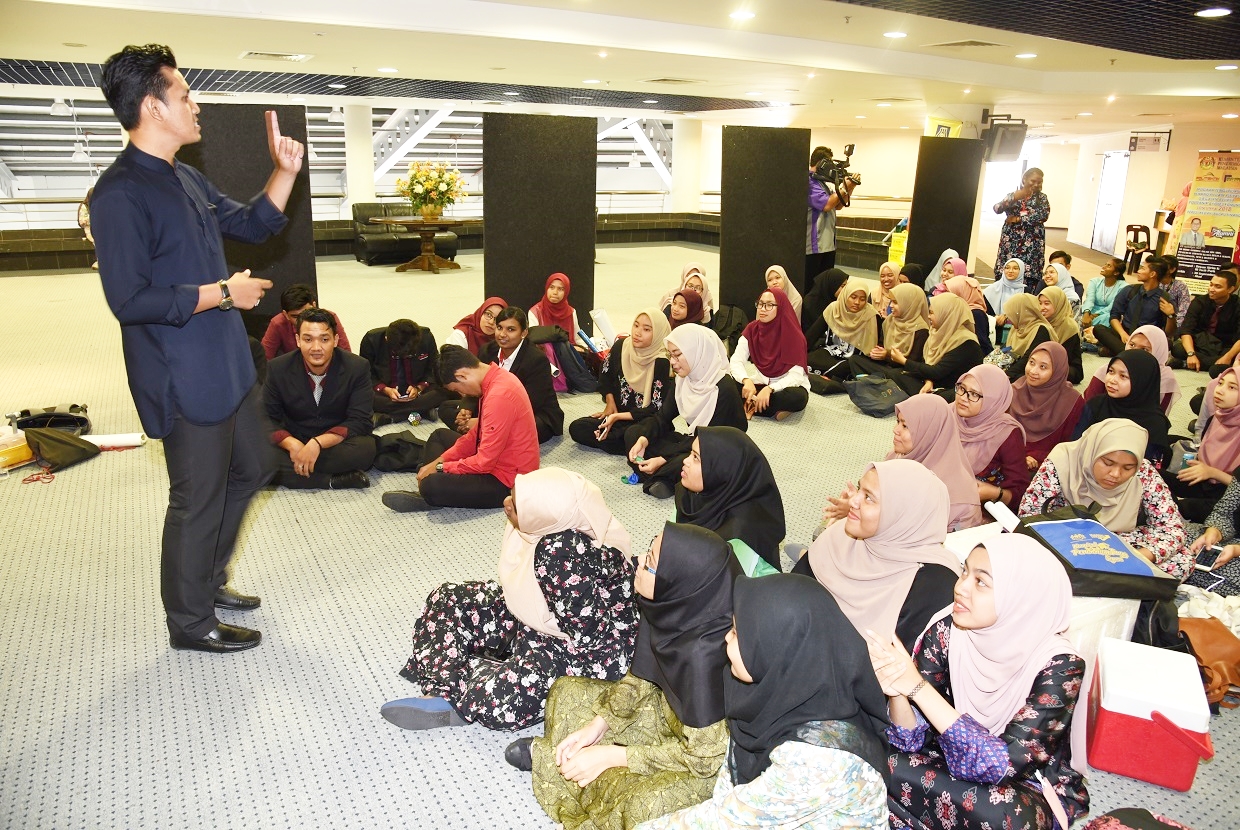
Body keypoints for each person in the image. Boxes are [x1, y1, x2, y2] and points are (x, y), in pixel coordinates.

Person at [93, 44, 303, 653]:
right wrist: (223, 292)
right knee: (197, 499)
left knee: (254, 468)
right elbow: (129, 299)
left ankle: (207, 581)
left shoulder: (184, 175)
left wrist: (285, 171)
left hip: (227, 364)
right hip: (181, 376)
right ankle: (189, 622)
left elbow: (253, 224)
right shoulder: (118, 194)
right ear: (153, 107)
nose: (195, 104)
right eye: (184, 95)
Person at [515, 523, 738, 828]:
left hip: (704, 761)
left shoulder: (705, 659)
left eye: (651, 563)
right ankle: (572, 765)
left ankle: (560, 763)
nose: (640, 561)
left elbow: (703, 760)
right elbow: (641, 675)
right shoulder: (672, 607)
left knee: (644, 806)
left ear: (676, 581)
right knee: (566, 693)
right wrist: (599, 725)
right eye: (649, 552)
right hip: (665, 715)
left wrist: (613, 756)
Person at [382, 468, 637, 731]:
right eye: (512, 496)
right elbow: (524, 591)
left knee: (505, 699)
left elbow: (588, 638)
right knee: (448, 597)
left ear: (543, 514)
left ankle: (465, 679)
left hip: (585, 648)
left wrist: (530, 649)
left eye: (515, 503)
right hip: (539, 614)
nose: (506, 503)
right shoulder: (551, 522)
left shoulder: (562, 555)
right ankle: (445, 687)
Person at [868, 534, 1089, 830]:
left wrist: (918, 688)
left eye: (981, 582)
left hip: (1022, 786)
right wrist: (897, 689)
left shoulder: (1061, 666)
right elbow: (908, 740)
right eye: (964, 572)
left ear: (1019, 597)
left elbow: (1004, 765)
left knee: (1004, 816)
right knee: (875, 754)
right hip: (945, 758)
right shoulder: (946, 630)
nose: (961, 587)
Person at [640, 574, 890, 830]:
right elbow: (730, 787)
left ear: (775, 651)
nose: (726, 638)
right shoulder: (781, 690)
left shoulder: (818, 759)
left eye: (736, 633)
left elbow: (724, 821)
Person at [794, 459, 960, 651]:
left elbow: (902, 663)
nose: (853, 501)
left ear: (899, 515)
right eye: (859, 489)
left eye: (869, 498)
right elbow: (792, 593)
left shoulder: (934, 586)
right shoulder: (840, 537)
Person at [1023, 419, 1190, 580]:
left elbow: (1172, 527)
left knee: (1182, 560)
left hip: (1117, 543)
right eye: (1108, 463)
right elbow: (1029, 516)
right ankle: (1113, 584)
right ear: (1092, 452)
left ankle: (1098, 582)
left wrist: (1135, 559)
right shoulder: (1063, 461)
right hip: (1066, 540)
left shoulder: (1143, 472)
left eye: (1128, 468)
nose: (1116, 474)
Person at [381, 345, 539, 512]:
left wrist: (441, 467)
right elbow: (474, 437)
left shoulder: (499, 396)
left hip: (508, 482)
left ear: (462, 375)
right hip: (495, 457)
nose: (463, 395)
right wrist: (439, 461)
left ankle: (432, 493)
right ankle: (438, 488)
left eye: (457, 389)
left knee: (431, 485)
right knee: (439, 436)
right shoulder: (496, 379)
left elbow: (484, 463)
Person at [627, 324, 746, 500]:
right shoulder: (684, 379)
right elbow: (663, 417)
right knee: (634, 433)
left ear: (696, 353)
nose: (672, 362)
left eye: (677, 355)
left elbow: (708, 440)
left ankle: (662, 476)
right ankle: (665, 478)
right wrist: (644, 439)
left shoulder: (722, 387)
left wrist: (664, 458)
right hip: (693, 441)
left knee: (689, 461)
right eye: (670, 355)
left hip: (716, 449)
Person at [264, 308, 375, 490]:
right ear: (298, 340)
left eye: (324, 339)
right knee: (251, 453)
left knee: (365, 449)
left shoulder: (357, 367)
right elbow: (266, 418)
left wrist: (317, 443)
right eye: (308, 339)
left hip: (333, 441)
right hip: (295, 437)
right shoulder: (277, 368)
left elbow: (360, 420)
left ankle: (298, 471)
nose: (316, 348)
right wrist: (291, 443)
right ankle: (330, 480)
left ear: (335, 340)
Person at [675, 427, 786, 571]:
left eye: (696, 458)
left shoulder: (740, 534)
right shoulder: (687, 493)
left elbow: (722, 579)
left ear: (722, 470)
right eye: (691, 453)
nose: (686, 461)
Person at [570, 308, 671, 455]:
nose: (637, 332)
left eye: (646, 329)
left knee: (632, 434)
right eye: (636, 325)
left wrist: (617, 417)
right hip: (618, 417)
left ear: (658, 334)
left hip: (646, 421)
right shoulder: (622, 346)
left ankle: (621, 440)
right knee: (578, 428)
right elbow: (605, 376)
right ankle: (622, 441)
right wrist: (610, 404)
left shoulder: (662, 362)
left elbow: (656, 408)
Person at [889, 395, 984, 531]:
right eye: (897, 421)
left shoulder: (958, 499)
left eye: (905, 426)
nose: (895, 429)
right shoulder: (895, 457)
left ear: (929, 432)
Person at [478, 307, 564, 444]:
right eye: (499, 328)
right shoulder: (487, 351)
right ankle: (485, 432)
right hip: (494, 409)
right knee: (449, 408)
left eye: (510, 329)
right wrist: (466, 409)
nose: (502, 334)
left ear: (524, 333)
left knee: (516, 429)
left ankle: (484, 432)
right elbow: (478, 385)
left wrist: (486, 420)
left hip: (533, 413)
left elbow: (529, 402)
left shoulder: (536, 359)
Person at [1165, 368, 1240, 521]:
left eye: (1232, 387)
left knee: (1176, 509)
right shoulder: (1217, 417)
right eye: (1220, 383)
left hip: (1231, 499)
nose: (1219, 390)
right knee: (1153, 475)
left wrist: (1212, 472)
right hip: (1205, 481)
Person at [1072, 350, 1171, 465]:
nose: (1112, 380)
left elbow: (1145, 465)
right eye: (1111, 371)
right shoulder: (1096, 405)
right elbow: (1076, 444)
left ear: (1141, 381)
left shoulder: (1154, 423)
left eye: (1123, 376)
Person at [874, 293, 983, 397]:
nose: (928, 316)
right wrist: (928, 381)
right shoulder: (937, 332)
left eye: (932, 313)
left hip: (954, 391)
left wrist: (903, 361)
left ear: (946, 314)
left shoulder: (965, 342)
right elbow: (926, 364)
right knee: (895, 374)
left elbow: (937, 371)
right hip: (934, 382)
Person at [954, 365, 1030, 508]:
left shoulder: (1006, 434)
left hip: (980, 507)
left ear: (993, 400)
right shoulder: (948, 414)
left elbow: (1020, 493)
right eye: (962, 388)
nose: (963, 398)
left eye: (974, 394)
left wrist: (994, 493)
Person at [731, 287, 810, 420]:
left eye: (769, 305)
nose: (762, 309)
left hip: (785, 386)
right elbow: (736, 361)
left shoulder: (795, 336)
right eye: (760, 304)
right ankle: (767, 407)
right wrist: (746, 380)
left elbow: (796, 377)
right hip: (759, 383)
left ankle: (751, 404)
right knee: (726, 384)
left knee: (798, 397)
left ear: (781, 308)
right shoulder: (752, 329)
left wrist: (770, 389)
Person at [360, 318, 452, 423]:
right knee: (363, 396)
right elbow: (366, 374)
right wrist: (385, 389)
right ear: (386, 339)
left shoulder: (426, 337)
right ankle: (422, 410)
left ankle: (389, 418)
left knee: (445, 390)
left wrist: (419, 388)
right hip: (385, 392)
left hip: (419, 390)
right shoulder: (371, 340)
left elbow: (433, 368)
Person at [1011, 342, 1085, 472]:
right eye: (1031, 363)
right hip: (1010, 458)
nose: (1033, 371)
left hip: (1049, 468)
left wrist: (1038, 459)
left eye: (1043, 367)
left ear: (1057, 371)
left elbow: (1072, 448)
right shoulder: (1013, 391)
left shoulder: (1072, 402)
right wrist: (1017, 455)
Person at [1084, 325, 1180, 413]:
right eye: (1132, 345)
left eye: (1144, 349)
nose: (1134, 352)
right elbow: (1086, 408)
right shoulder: (1108, 369)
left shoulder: (1164, 378)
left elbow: (1157, 417)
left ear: (1158, 352)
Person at [846, 283, 930, 383]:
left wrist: (887, 355)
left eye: (895, 302)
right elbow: (882, 345)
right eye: (891, 301)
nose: (891, 306)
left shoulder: (921, 330)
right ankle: (872, 384)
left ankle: (872, 384)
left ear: (909, 304)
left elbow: (912, 363)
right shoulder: (889, 321)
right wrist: (877, 352)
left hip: (903, 371)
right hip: (886, 366)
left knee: (894, 374)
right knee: (855, 360)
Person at [806, 278, 878, 387]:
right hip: (832, 350)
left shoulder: (871, 315)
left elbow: (873, 349)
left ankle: (824, 377)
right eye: (853, 297)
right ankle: (827, 377)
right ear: (845, 295)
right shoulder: (834, 309)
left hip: (854, 358)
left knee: (844, 369)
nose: (857, 302)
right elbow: (812, 334)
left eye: (862, 299)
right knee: (808, 359)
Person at [1094, 255, 1171, 357]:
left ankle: (1122, 352)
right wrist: (1122, 333)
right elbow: (1114, 316)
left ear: (1152, 274)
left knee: (1167, 343)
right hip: (1125, 334)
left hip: (1147, 339)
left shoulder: (1164, 298)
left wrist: (1171, 315)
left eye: (1143, 268)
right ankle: (1133, 354)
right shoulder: (1130, 290)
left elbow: (1168, 332)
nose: (1138, 271)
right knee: (1099, 329)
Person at [805, 145, 858, 292]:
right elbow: (827, 205)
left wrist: (851, 186)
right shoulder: (809, 182)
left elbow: (838, 205)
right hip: (814, 247)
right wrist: (845, 186)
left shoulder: (822, 183)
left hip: (828, 245)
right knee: (812, 288)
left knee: (826, 287)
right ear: (821, 163)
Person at [1170, 270, 1240, 374]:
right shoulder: (1200, 302)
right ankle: (1208, 363)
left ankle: (1185, 364)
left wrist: (1227, 357)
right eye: (1211, 285)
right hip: (1201, 344)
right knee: (1178, 349)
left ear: (1230, 289)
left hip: (1225, 347)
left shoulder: (1237, 305)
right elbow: (1186, 330)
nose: (1211, 289)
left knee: (1232, 359)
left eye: (1218, 287)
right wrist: (1191, 354)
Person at [992, 167, 1050, 291]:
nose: (1036, 184)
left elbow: (1043, 215)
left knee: (1030, 274)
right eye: (1033, 181)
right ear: (1024, 179)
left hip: (1033, 241)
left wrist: (1018, 219)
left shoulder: (1042, 198)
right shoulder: (1013, 195)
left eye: (1039, 182)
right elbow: (997, 208)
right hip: (1011, 239)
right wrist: (1012, 198)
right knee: (1008, 267)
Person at [261, 283, 351, 361]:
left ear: (314, 306)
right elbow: (263, 358)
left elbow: (347, 355)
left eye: (306, 313)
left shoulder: (330, 318)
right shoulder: (278, 323)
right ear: (285, 314)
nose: (302, 319)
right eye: (295, 316)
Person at [1185, 479, 1240, 597]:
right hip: (1228, 542)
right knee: (1177, 539)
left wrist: (1236, 550)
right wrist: (1215, 531)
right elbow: (1224, 513)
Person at [1002, 293, 1057, 382]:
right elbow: (1006, 349)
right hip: (1013, 367)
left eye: (1011, 314)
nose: (1008, 318)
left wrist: (1006, 374)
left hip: (1032, 372)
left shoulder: (1041, 330)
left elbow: (1029, 357)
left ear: (1021, 312)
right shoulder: (1017, 327)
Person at [1037, 285, 1085, 383]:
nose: (1042, 308)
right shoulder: (1039, 321)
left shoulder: (1069, 326)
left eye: (1047, 303)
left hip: (1065, 367)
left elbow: (1063, 358)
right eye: (1040, 303)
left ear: (1058, 304)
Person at [529, 272, 587, 349]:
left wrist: (586, 348)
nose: (555, 292)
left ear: (566, 292)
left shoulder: (571, 312)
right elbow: (533, 340)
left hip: (567, 352)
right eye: (552, 287)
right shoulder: (536, 312)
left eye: (560, 289)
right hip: (543, 353)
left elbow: (577, 339)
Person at [1078, 257, 1126, 343]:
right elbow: (1089, 299)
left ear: (1116, 272)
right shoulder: (1094, 281)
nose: (1103, 267)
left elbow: (1112, 306)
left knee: (1109, 318)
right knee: (1077, 314)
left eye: (1108, 266)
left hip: (1106, 313)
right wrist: (1086, 313)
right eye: (1105, 264)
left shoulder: (1123, 287)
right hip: (1090, 310)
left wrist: (1092, 317)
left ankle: (1091, 335)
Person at [942, 274, 993, 353]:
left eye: (951, 292)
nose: (947, 296)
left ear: (961, 293)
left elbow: (981, 344)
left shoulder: (976, 314)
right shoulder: (959, 310)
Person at [801, 267, 850, 333]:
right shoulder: (811, 303)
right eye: (842, 286)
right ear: (833, 284)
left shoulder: (838, 301)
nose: (845, 290)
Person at [983, 258, 1027, 323]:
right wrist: (995, 319)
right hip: (993, 325)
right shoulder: (991, 289)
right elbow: (984, 312)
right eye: (1007, 268)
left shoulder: (1025, 291)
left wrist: (1007, 317)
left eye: (1015, 268)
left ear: (1021, 271)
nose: (1010, 271)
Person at [1158, 255, 1192, 330]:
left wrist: (1176, 326)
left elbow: (1184, 310)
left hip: (1171, 324)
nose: (1159, 268)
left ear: (1172, 269)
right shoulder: (1154, 282)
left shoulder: (1180, 286)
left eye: (1163, 265)